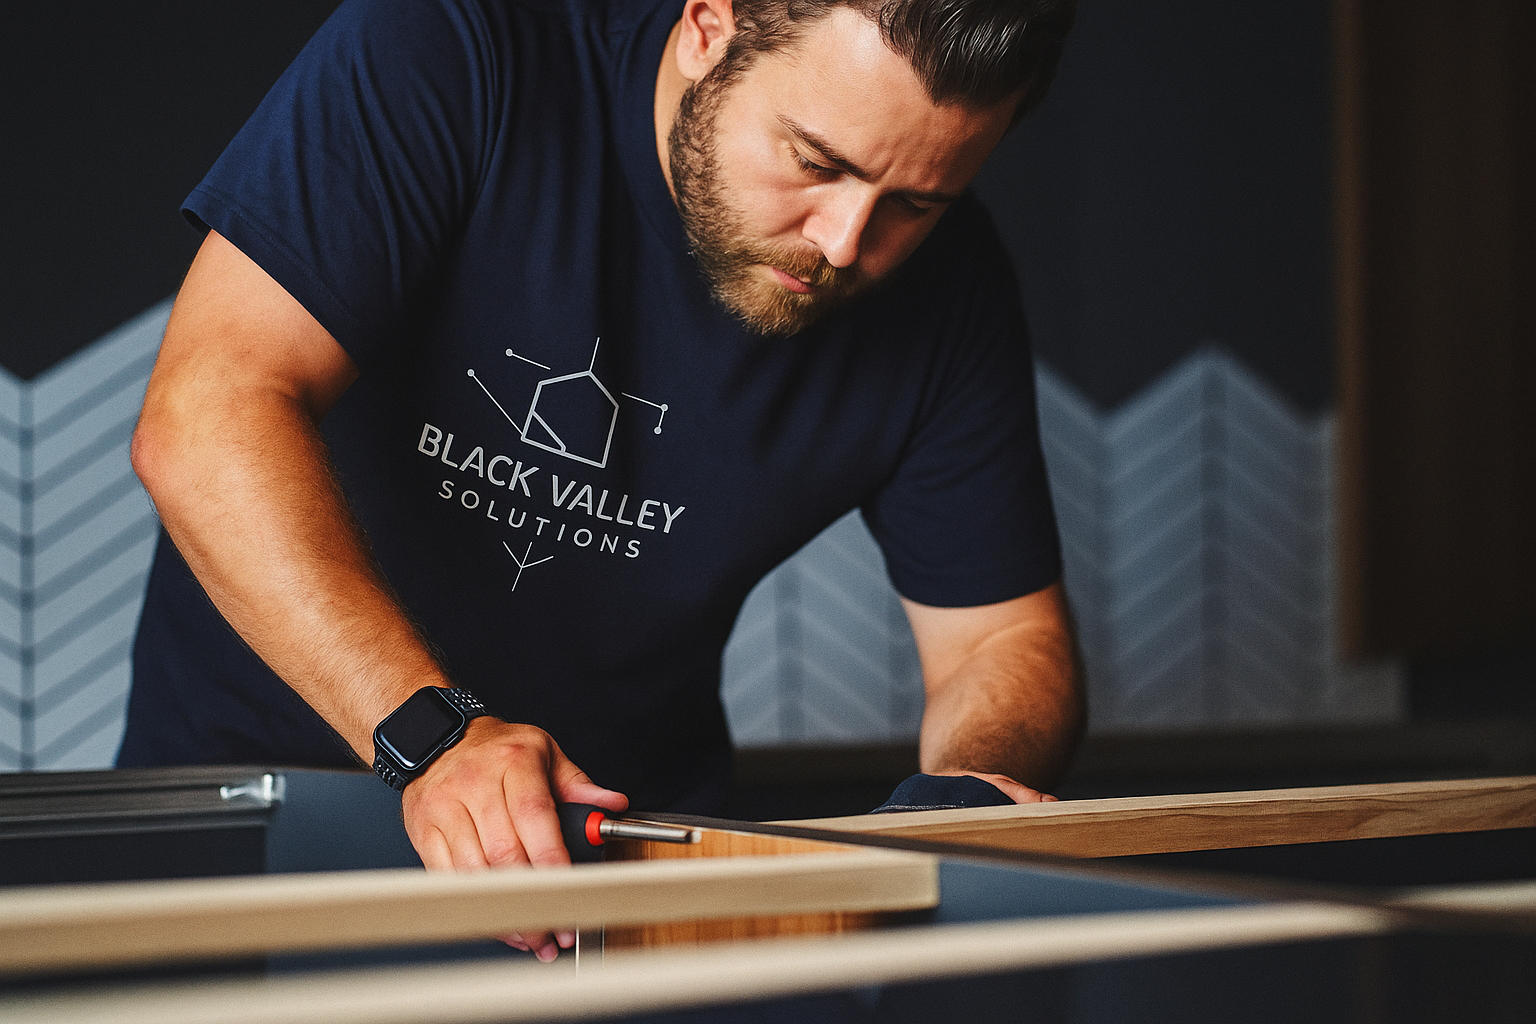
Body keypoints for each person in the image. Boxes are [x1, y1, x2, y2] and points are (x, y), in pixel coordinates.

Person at [122, 0, 1084, 960]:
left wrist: (972, 784)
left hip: (605, 882)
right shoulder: (449, 52)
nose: (844, 242)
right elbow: (208, 413)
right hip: (257, 830)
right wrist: (433, 739)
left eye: (914, 203)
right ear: (710, 26)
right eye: (816, 162)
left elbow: (999, 638)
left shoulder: (953, 291)